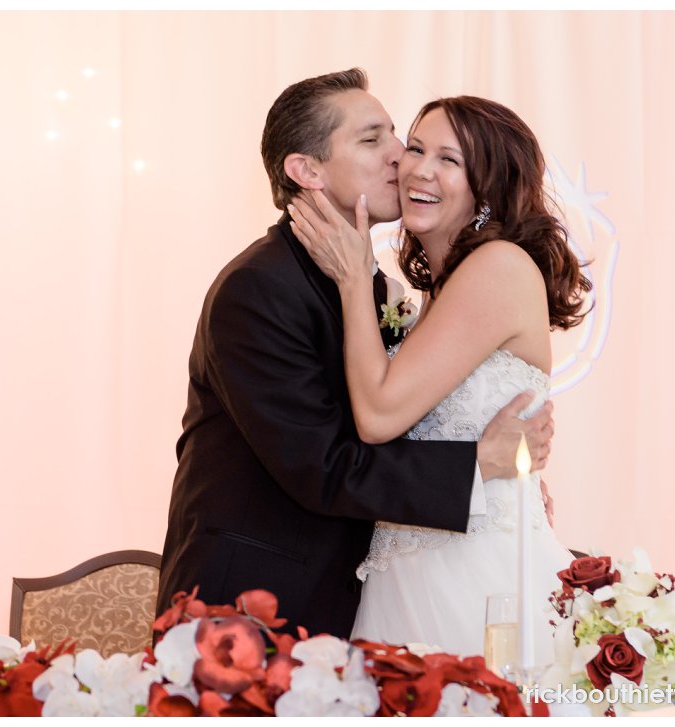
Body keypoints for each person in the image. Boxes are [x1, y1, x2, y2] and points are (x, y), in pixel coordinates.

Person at [155, 69, 556, 641]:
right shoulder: (259, 288)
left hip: (391, 590)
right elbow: (325, 465)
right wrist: (481, 465)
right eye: (378, 141)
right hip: (248, 610)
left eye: (401, 137)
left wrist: (508, 486)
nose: (401, 159)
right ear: (307, 171)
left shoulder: (381, 287)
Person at [288, 95, 591, 663]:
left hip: (473, 579)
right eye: (418, 148)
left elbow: (377, 417)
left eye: (451, 160)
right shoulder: (437, 292)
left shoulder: (497, 266)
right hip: (406, 567)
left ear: (489, 187)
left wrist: (353, 278)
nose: (419, 169)